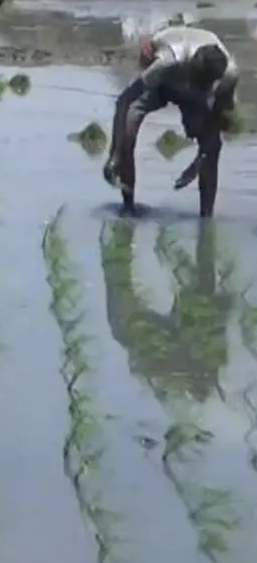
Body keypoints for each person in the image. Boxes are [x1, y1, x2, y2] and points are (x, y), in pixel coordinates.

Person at [103, 26, 237, 218]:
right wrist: (115, 153)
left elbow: (220, 121)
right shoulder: (166, 62)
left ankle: (206, 217)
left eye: (206, 85)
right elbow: (125, 100)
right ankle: (128, 207)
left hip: (195, 94)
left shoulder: (229, 74)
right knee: (129, 125)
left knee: (212, 144)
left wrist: (198, 163)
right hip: (164, 82)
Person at [100, 219, 233, 403]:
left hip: (142, 336)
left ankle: (123, 230)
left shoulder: (201, 355)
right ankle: (124, 230)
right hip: (144, 337)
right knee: (202, 292)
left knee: (202, 293)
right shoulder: (163, 361)